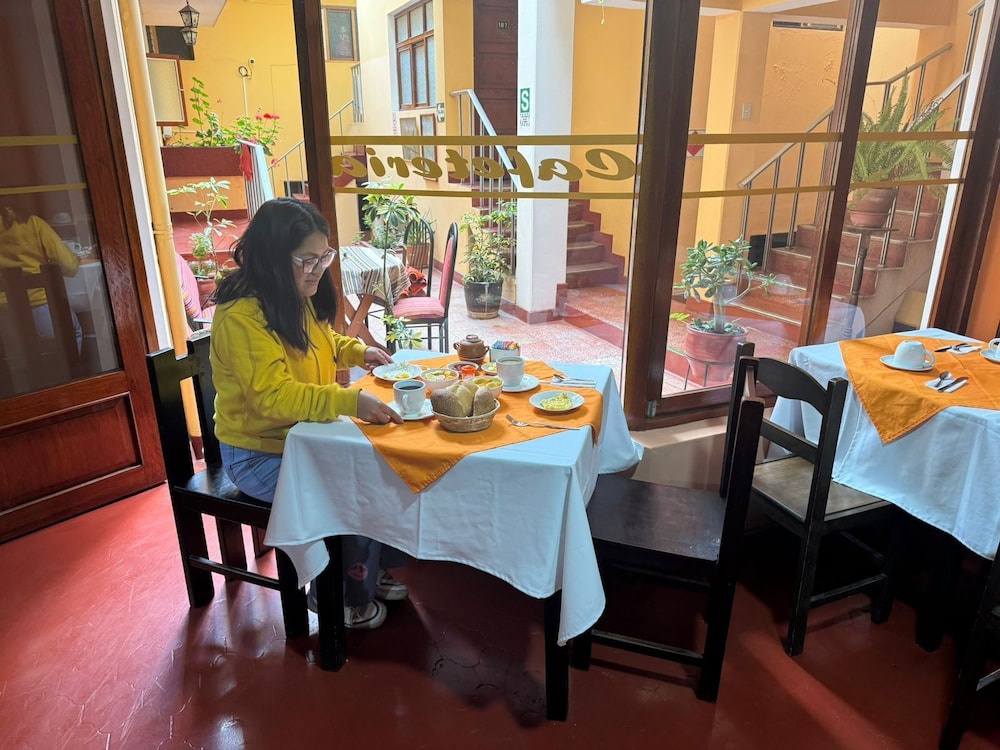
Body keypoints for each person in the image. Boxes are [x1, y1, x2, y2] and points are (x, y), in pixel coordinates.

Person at [210, 197, 406, 630]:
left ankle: (367, 568)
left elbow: (324, 341)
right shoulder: (242, 314)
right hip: (258, 453)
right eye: (307, 260)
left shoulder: (294, 293)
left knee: (382, 464)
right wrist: (349, 401)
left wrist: (358, 350)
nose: (318, 269)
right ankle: (341, 594)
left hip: (303, 438)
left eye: (324, 257)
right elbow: (272, 397)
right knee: (347, 486)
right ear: (272, 258)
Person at [0, 203, 83, 351]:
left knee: (18, 353)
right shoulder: (33, 223)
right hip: (42, 309)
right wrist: (76, 261)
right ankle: (68, 366)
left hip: (4, 316)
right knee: (74, 332)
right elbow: (69, 265)